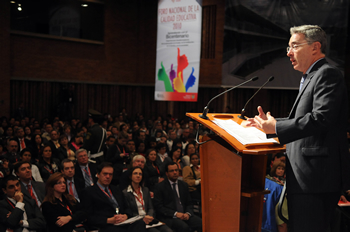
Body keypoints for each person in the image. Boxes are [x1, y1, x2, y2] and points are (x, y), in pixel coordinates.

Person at [246, 25, 350, 232]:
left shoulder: (326, 73)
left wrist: (277, 126)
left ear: (315, 47)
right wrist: (270, 125)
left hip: (315, 178)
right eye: (288, 47)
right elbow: (305, 120)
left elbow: (321, 118)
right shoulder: (311, 76)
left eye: (294, 46)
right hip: (307, 176)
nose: (288, 52)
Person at [82, 162, 147, 232]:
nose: (108, 177)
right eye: (105, 174)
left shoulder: (116, 189)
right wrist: (108, 220)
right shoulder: (89, 191)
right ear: (98, 174)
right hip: (106, 225)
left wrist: (126, 216)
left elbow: (127, 208)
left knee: (140, 224)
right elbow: (88, 216)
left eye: (110, 174)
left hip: (122, 222)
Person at [153, 161, 202, 232]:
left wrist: (188, 213)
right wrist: (175, 214)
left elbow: (189, 203)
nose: (175, 172)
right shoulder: (160, 187)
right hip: (170, 216)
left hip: (184, 214)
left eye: (176, 170)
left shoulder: (183, 185)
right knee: (183, 227)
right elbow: (159, 207)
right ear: (167, 173)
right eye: (172, 171)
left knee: (201, 223)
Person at [122, 167, 172, 232]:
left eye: (140, 174)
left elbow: (150, 207)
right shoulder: (125, 193)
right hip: (137, 222)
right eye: (135, 173)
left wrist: (149, 216)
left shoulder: (145, 190)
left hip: (149, 219)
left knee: (168, 230)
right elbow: (129, 212)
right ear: (130, 176)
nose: (138, 176)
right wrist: (143, 219)